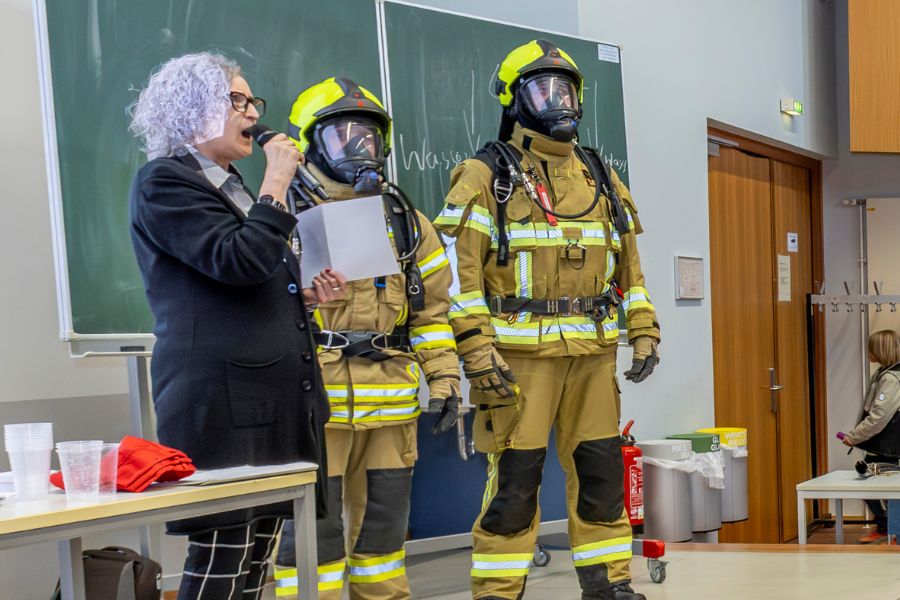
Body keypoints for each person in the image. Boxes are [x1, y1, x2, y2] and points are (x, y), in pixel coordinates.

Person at [433, 40, 659, 600]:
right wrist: (478, 355)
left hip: (593, 358)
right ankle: (498, 592)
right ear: (514, 100)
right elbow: (458, 281)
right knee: (515, 485)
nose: (559, 100)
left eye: (567, 89)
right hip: (517, 365)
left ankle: (610, 586)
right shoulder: (483, 175)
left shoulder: (601, 176)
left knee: (602, 480)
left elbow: (629, 267)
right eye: (542, 88)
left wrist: (645, 330)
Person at [128, 52, 347, 600]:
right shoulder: (164, 183)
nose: (252, 112)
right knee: (223, 555)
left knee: (257, 561)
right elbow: (237, 260)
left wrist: (305, 297)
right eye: (236, 101)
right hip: (223, 403)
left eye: (253, 101)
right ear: (191, 108)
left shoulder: (232, 186)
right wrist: (277, 178)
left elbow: (251, 278)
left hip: (271, 399)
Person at [272, 77, 461, 599]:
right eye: (342, 135)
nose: (359, 148)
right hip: (316, 410)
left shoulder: (405, 223)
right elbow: (250, 310)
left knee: (382, 541)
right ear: (311, 144)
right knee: (312, 541)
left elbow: (432, 314)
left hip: (392, 412)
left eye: (369, 136)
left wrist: (444, 378)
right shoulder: (277, 218)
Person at [843, 329, 900, 543]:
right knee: (870, 484)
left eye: (870, 348)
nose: (867, 352)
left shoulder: (892, 379)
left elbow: (879, 416)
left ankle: (891, 531)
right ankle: (886, 528)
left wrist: (854, 436)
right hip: (883, 444)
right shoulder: (885, 373)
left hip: (890, 446)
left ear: (879, 351)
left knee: (877, 485)